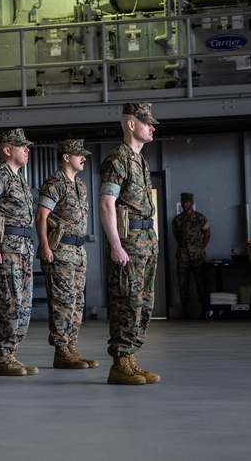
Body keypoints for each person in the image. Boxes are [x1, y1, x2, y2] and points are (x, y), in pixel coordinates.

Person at [100, 102, 161, 385]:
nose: (152, 127)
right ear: (131, 124)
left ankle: (132, 359)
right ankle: (120, 363)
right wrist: (116, 245)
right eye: (147, 122)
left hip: (146, 242)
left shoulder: (141, 161)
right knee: (128, 302)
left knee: (144, 305)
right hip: (129, 244)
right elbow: (106, 204)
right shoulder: (118, 159)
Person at [0, 128, 38, 377]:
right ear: (6, 150)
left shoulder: (19, 178)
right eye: (21, 146)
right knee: (8, 303)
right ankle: (2, 357)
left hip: (23, 249)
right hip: (7, 249)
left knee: (23, 305)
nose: (26, 150)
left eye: (26, 146)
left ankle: (11, 353)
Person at [35, 139, 98, 370]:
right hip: (59, 252)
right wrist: (44, 246)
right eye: (78, 154)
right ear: (65, 157)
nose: (83, 157)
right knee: (62, 303)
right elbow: (41, 216)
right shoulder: (55, 183)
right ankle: (61, 350)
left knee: (76, 303)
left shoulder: (80, 185)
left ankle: (71, 347)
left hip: (78, 252)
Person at [172, 192, 211, 320]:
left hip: (198, 256)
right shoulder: (177, 219)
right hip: (183, 255)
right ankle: (185, 311)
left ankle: (204, 310)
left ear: (192, 203)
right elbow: (176, 236)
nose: (185, 204)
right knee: (182, 282)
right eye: (183, 202)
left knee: (201, 283)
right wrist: (185, 247)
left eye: (187, 202)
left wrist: (199, 248)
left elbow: (207, 235)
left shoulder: (200, 218)